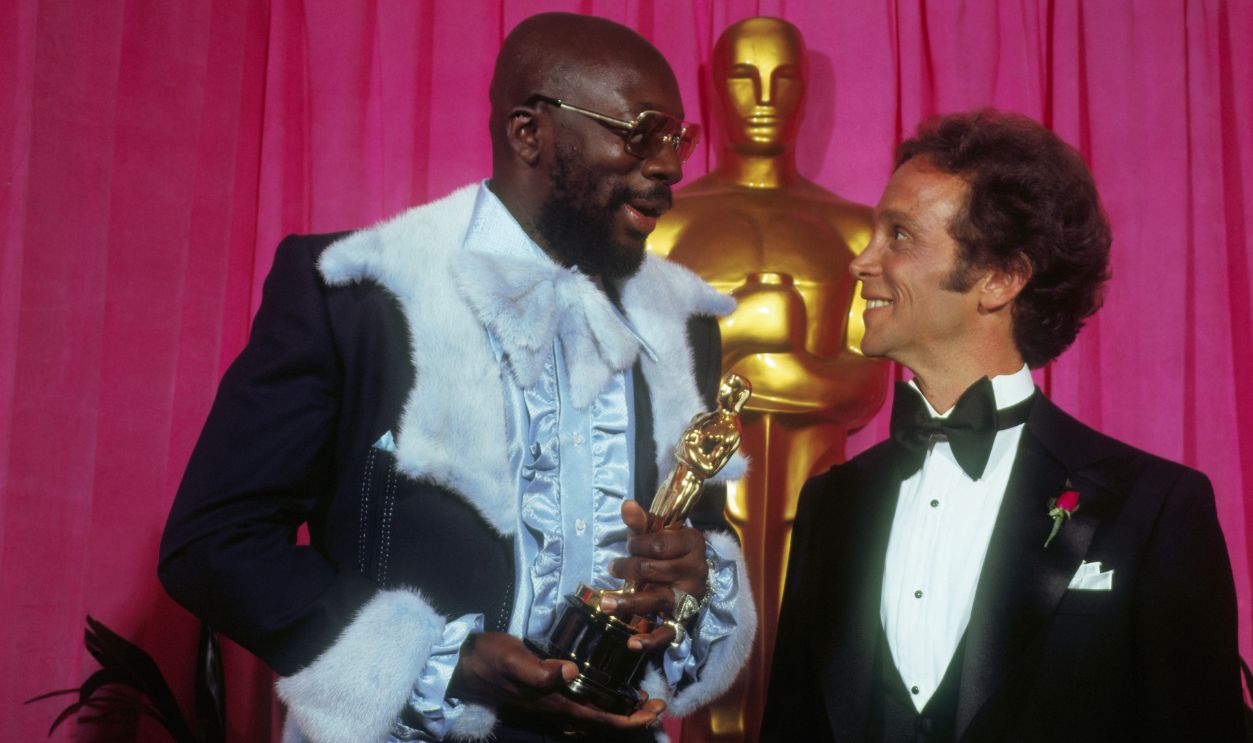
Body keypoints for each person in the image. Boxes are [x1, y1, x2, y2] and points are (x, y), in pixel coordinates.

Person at [159, 13, 755, 743]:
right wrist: (443, 662)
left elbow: (694, 542)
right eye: (639, 132)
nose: (668, 165)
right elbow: (214, 544)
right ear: (528, 132)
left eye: (677, 140)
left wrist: (696, 580)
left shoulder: (680, 324)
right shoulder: (360, 292)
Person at [761, 110, 1243, 742]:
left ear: (1000, 279)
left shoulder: (1154, 508)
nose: (860, 262)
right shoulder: (832, 502)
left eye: (899, 236)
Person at [647, 17, 886, 738]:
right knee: (690, 654)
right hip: (686, 490)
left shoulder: (852, 227)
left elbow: (864, 386)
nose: (762, 96)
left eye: (781, 78)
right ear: (711, 91)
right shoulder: (663, 221)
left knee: (805, 654)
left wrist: (770, 367)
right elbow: (636, 366)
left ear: (804, 92)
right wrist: (747, 330)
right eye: (742, 77)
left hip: (816, 488)